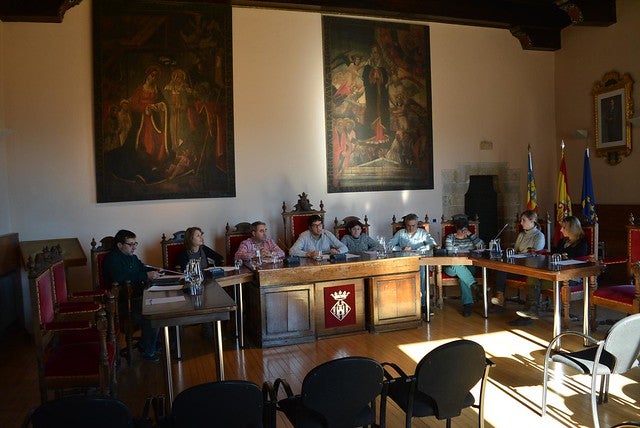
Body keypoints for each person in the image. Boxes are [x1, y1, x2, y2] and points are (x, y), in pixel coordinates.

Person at [511, 216, 589, 325]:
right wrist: (537, 252)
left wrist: (567, 258)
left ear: (572, 228)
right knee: (532, 278)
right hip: (556, 275)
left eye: (564, 228)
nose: (561, 230)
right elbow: (553, 253)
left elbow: (581, 262)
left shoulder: (582, 244)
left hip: (571, 278)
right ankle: (530, 311)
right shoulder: (563, 241)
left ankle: (530, 313)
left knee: (533, 282)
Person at [103, 229, 161, 361]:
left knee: (162, 307)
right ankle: (147, 350)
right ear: (120, 245)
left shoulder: (132, 258)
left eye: (135, 244)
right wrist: (146, 275)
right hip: (122, 303)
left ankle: (153, 344)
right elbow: (119, 277)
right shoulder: (112, 259)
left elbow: (142, 268)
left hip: (137, 298)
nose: (134, 247)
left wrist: (156, 271)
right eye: (130, 244)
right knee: (152, 313)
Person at [491, 210, 546, 309]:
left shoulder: (539, 236)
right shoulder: (521, 235)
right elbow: (515, 250)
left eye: (523, 220)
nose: (521, 223)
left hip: (530, 268)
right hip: (518, 266)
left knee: (502, 270)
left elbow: (535, 253)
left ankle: (500, 298)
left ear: (532, 220)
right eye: (521, 220)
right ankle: (499, 297)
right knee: (500, 268)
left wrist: (524, 253)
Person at [388, 213, 438, 311]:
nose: (410, 228)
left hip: (419, 261)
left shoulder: (423, 233)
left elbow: (433, 244)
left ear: (417, 225)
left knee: (422, 276)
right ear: (405, 225)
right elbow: (389, 246)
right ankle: (406, 304)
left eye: (413, 226)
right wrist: (401, 248)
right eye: (408, 226)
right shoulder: (400, 233)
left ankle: (423, 304)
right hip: (404, 262)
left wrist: (420, 248)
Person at [443, 216, 484, 317]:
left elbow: (482, 245)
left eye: (465, 230)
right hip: (451, 266)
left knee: (463, 278)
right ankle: (474, 285)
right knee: (457, 265)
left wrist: (471, 235)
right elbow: (450, 253)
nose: (463, 232)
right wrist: (466, 253)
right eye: (461, 230)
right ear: (456, 229)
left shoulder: (471, 238)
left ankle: (467, 306)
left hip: (469, 266)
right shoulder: (450, 238)